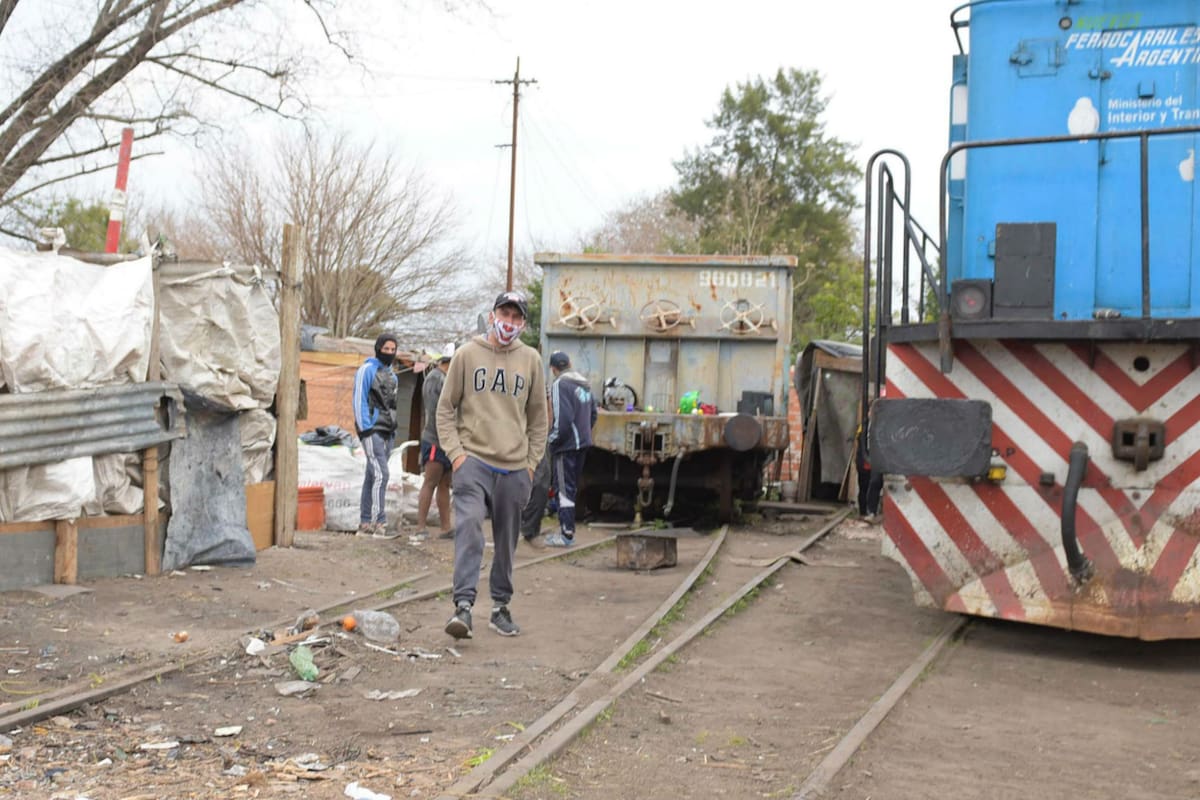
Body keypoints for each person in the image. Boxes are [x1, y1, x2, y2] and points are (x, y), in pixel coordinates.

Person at [437, 290, 548, 639]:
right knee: (469, 524)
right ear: (492, 315)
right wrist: (457, 455)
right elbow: (445, 409)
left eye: (517, 317)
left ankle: (500, 606)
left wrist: (531, 464)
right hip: (474, 461)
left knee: (506, 539)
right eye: (505, 314)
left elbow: (539, 419)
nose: (509, 323)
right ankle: (463, 607)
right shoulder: (466, 356)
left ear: (524, 324)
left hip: (515, 468)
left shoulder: (531, 360)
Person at [543, 351, 597, 547]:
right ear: (570, 363)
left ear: (553, 368)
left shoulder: (559, 384)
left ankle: (566, 534)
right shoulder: (585, 384)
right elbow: (593, 415)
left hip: (565, 446)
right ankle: (567, 530)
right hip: (582, 443)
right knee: (570, 488)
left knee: (563, 489)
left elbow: (562, 419)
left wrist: (552, 440)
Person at [353, 333, 399, 538]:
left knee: (373, 475)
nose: (389, 353)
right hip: (371, 430)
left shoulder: (393, 376)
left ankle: (365, 522)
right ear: (378, 347)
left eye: (392, 349)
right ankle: (379, 523)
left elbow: (393, 405)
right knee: (383, 474)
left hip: (388, 431)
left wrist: (393, 429)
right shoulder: (366, 370)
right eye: (386, 349)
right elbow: (359, 400)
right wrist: (365, 428)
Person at [414, 351, 454, 542]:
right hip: (435, 439)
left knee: (445, 483)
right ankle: (420, 526)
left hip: (449, 441)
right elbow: (435, 410)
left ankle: (446, 527)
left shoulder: (448, 378)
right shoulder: (434, 379)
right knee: (430, 481)